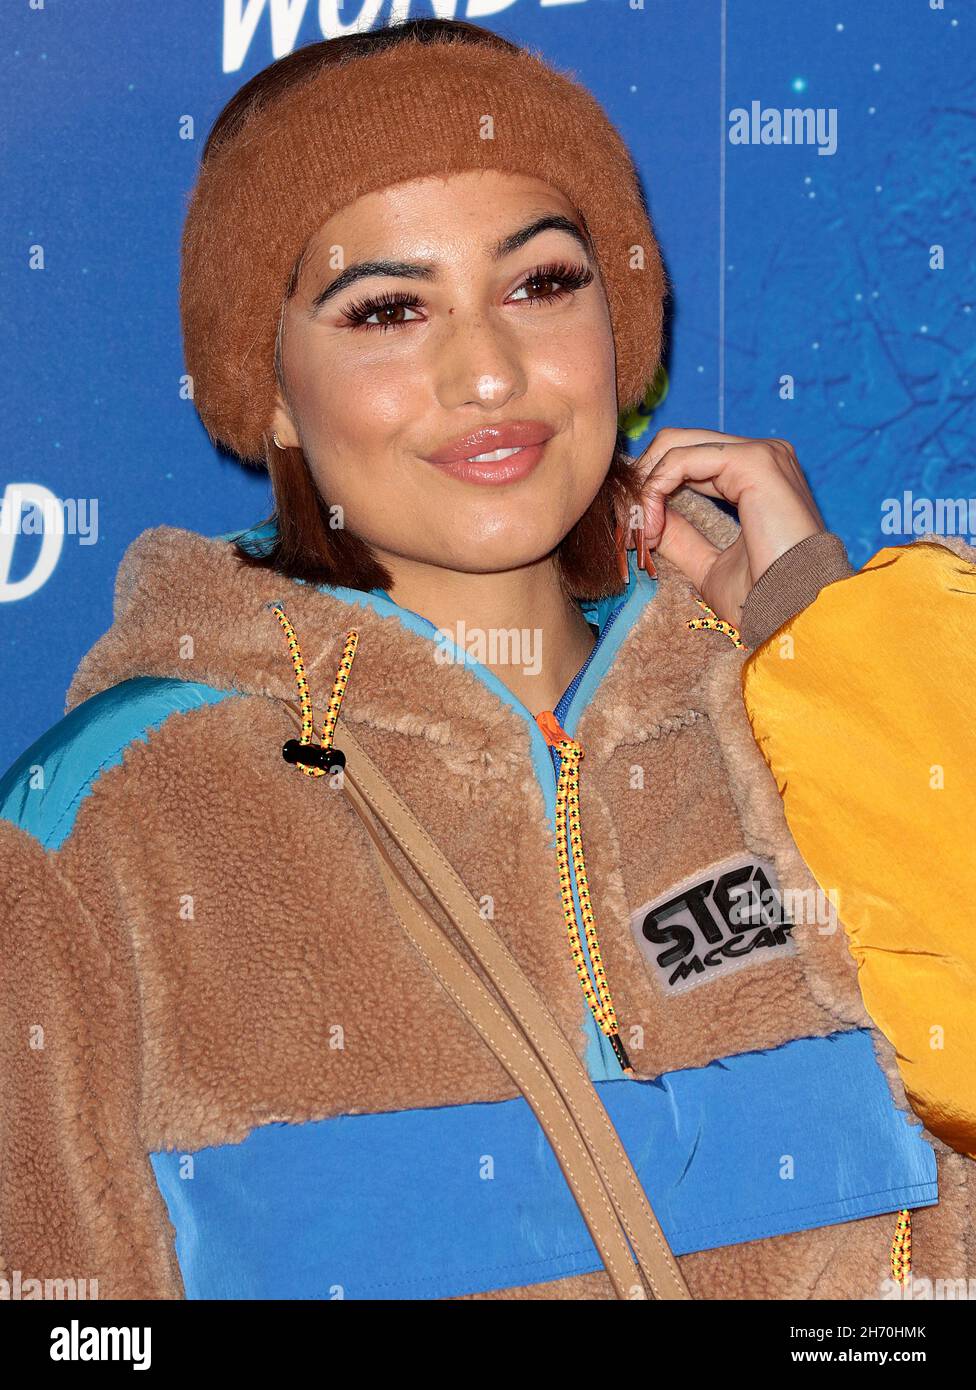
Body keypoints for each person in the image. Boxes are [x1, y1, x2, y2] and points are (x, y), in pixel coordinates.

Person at [1, 18, 973, 1302]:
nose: (488, 372)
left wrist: (830, 651)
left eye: (541, 285)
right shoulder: (111, 823)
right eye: (388, 308)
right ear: (269, 389)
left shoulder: (803, 710)